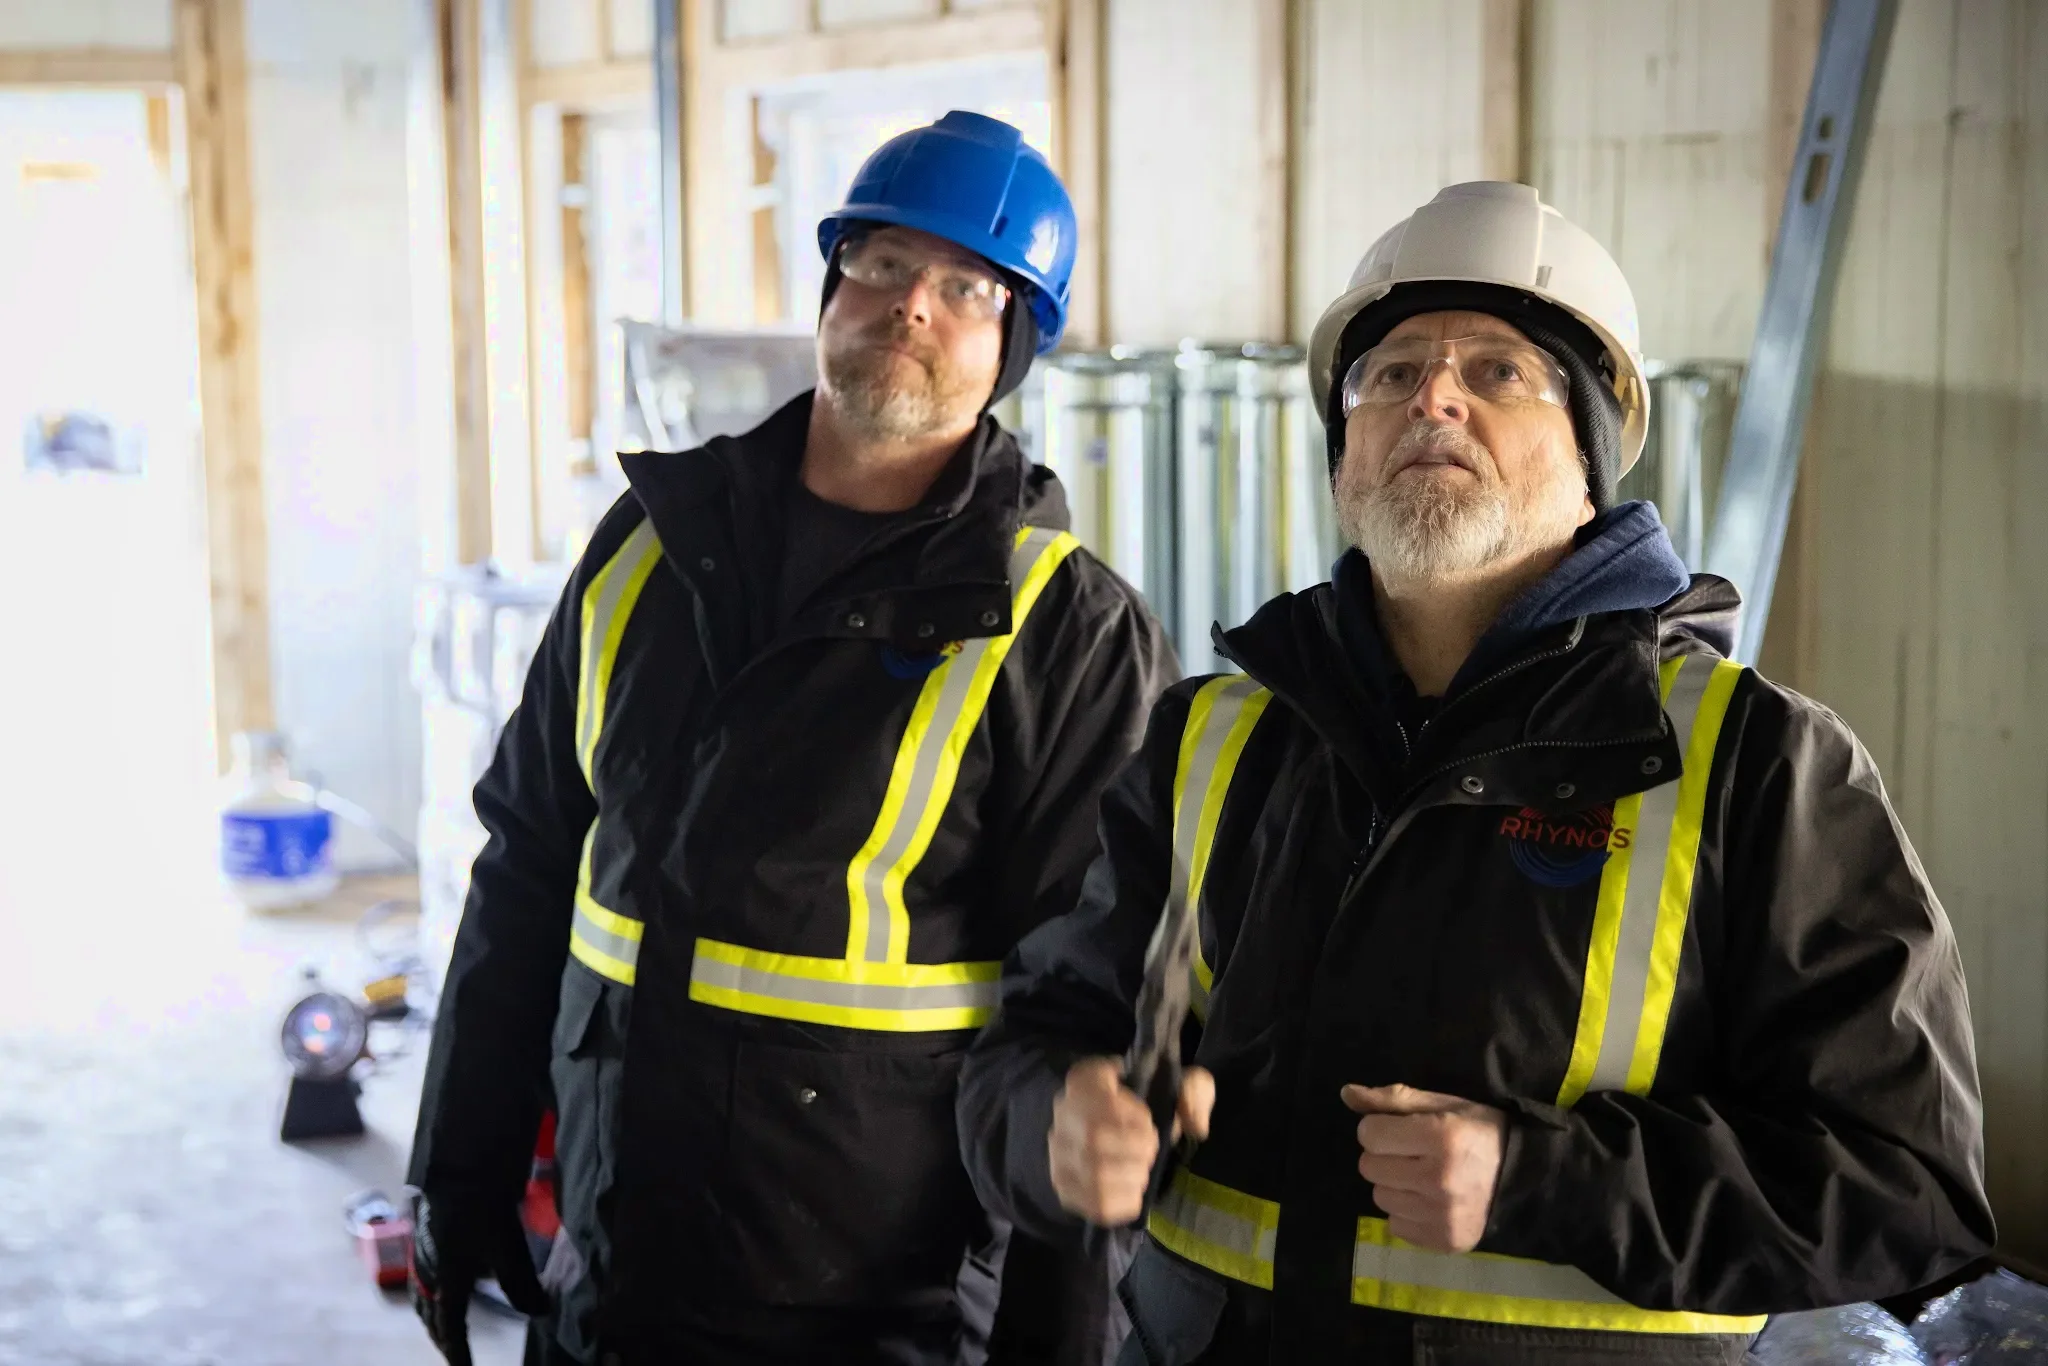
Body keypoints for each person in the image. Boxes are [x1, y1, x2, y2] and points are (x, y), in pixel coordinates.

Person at [956, 181, 1994, 1364]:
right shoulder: (1213, 735)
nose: (1431, 398)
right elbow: (1031, 1042)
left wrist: (1542, 1180)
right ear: (1342, 452)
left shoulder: (1756, 763)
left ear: (1590, 452)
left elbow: (1904, 1186)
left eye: (1498, 371)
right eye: (1388, 374)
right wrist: (1048, 1123)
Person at [407, 110, 1176, 1366]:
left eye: (968, 288)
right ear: (831, 285)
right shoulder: (649, 549)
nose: (910, 304)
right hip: (611, 1279)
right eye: (882, 261)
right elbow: (527, 860)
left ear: (1013, 346)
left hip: (879, 1322)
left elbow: (1084, 1028)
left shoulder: (1062, 632)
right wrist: (460, 1161)